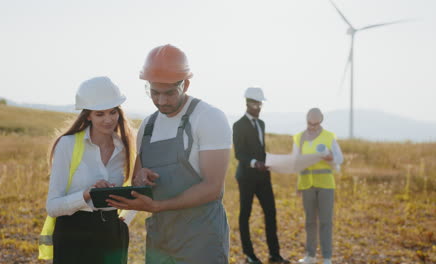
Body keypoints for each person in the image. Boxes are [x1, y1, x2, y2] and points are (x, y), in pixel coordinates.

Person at [106, 44, 232, 264]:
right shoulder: (148, 125)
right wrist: (142, 178)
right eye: (154, 93)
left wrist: (158, 206)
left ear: (186, 84)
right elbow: (138, 179)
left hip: (201, 238)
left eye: (169, 93)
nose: (161, 101)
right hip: (160, 239)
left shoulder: (209, 118)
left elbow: (212, 188)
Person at [46, 76, 134, 264]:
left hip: (112, 235)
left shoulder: (125, 148)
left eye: (113, 112)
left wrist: (125, 222)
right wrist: (87, 194)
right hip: (73, 234)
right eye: (100, 114)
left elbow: (136, 188)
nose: (108, 120)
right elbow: (52, 207)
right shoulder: (67, 145)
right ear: (88, 115)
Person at [232, 87, 290, 264]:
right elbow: (239, 154)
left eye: (260, 103)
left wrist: (271, 162)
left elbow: (261, 150)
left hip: (264, 177)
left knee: (271, 213)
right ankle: (250, 255)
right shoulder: (238, 125)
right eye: (255, 103)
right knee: (245, 215)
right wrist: (253, 163)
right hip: (246, 177)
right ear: (247, 103)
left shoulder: (261, 124)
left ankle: (275, 255)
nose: (258, 107)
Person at [293, 108, 343, 264]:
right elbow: (296, 162)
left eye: (315, 124)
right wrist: (298, 184)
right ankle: (310, 255)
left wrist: (330, 158)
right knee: (309, 222)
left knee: (325, 221)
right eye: (309, 123)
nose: (312, 126)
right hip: (307, 184)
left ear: (321, 121)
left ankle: (327, 258)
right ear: (306, 120)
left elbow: (339, 159)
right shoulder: (299, 138)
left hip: (326, 185)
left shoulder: (329, 137)